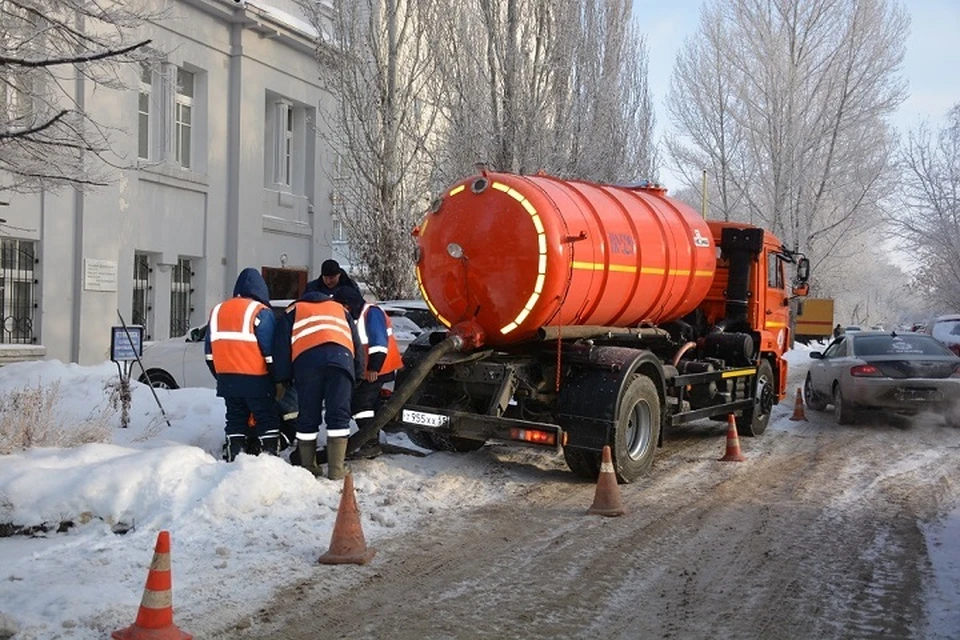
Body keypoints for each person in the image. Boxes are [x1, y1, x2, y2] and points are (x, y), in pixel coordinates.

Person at [279, 287, 363, 480]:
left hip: (307, 364)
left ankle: (308, 466)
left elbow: (281, 347)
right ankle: (336, 469)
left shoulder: (294, 310)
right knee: (339, 414)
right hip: (341, 362)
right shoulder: (340, 310)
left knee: (308, 414)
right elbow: (356, 343)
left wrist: (282, 378)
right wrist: (358, 373)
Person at [205, 268, 283, 460]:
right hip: (257, 380)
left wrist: (222, 376)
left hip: (227, 380)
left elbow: (208, 353)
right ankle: (270, 459)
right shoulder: (260, 312)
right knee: (266, 418)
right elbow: (270, 351)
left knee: (235, 418)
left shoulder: (217, 311)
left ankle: (235, 457)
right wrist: (276, 378)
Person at [333, 287, 403, 459]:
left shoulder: (371, 313)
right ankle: (371, 440)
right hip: (370, 368)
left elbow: (378, 342)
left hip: (378, 368)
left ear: (347, 305)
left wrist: (374, 368)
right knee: (371, 405)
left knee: (361, 405)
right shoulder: (359, 315)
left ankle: (370, 443)